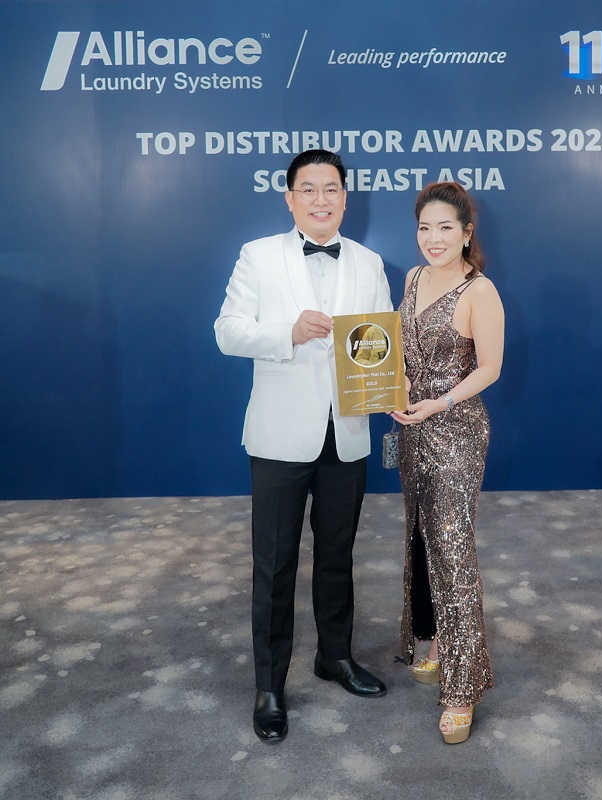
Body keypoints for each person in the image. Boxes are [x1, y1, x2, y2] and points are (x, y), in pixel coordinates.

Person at [214, 149, 392, 744]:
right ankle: (269, 685)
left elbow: (381, 340)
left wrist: (388, 388)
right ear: (289, 198)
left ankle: (334, 656)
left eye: (331, 188)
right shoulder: (258, 255)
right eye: (309, 189)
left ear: (345, 197)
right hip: (279, 434)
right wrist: (286, 334)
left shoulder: (368, 261)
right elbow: (227, 332)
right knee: (275, 563)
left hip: (348, 431)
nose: (321, 199)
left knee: (338, 555)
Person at [390, 182, 504, 745]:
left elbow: (490, 368)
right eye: (424, 227)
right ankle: (433, 639)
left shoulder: (480, 290)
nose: (432, 238)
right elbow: (400, 348)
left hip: (457, 432)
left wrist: (440, 402)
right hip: (411, 428)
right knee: (420, 536)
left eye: (444, 228)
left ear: (466, 233)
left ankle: (463, 688)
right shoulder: (413, 279)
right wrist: (393, 386)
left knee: (453, 549)